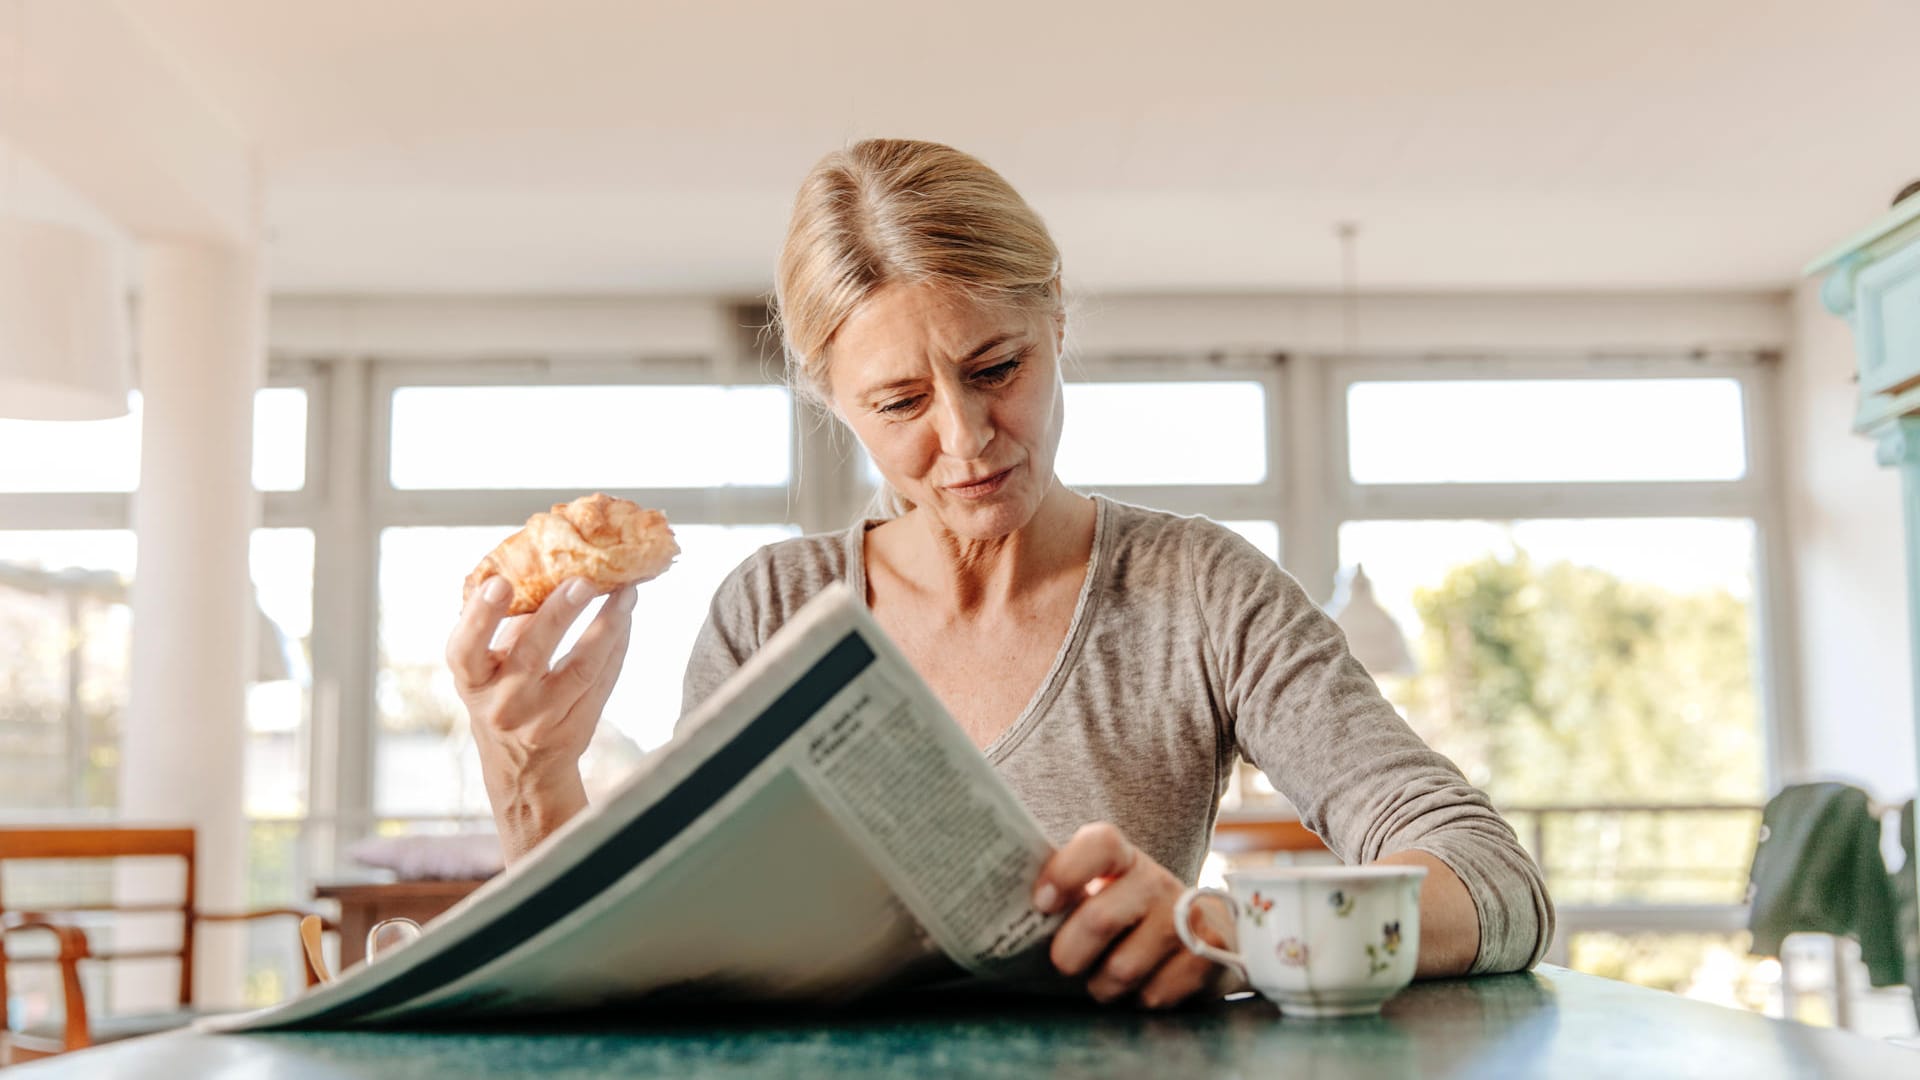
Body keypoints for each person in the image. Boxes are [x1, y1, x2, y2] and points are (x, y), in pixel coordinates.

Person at [448, 138, 1554, 1010]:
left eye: (997, 368)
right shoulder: (773, 610)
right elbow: (653, 964)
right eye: (901, 404)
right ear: (833, 399)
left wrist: (1233, 931)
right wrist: (534, 775)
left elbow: (1495, 884)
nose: (970, 441)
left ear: (1057, 319)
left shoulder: (1201, 593)